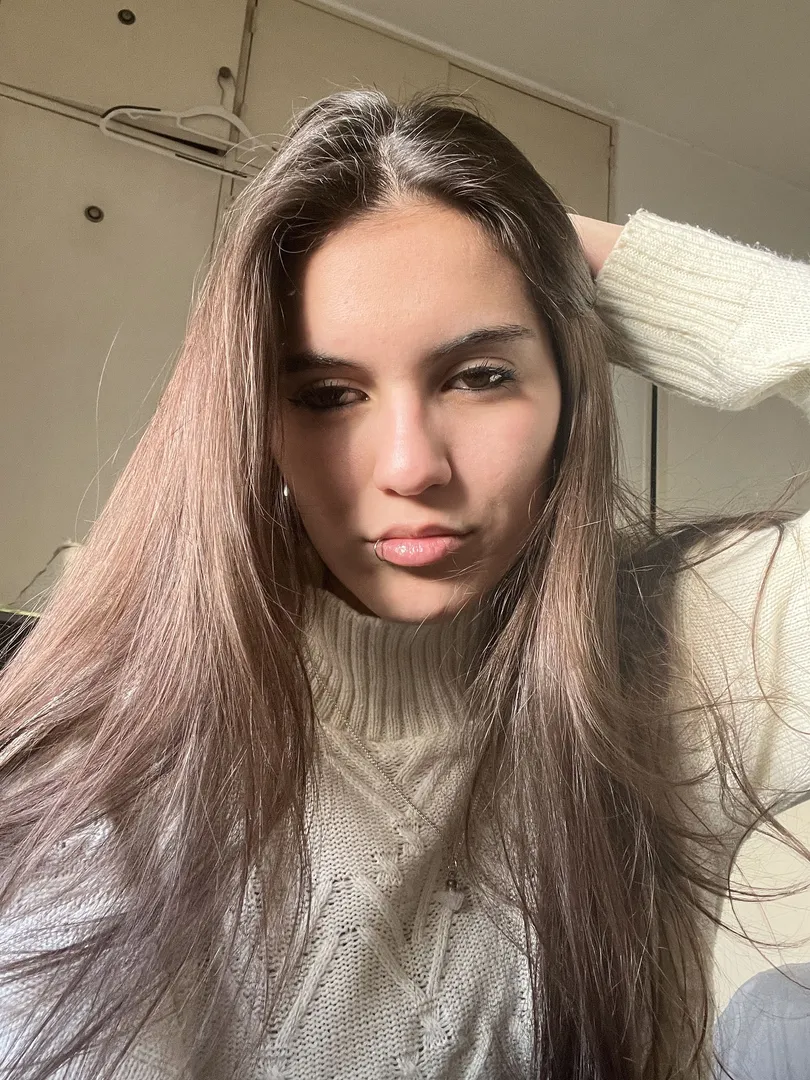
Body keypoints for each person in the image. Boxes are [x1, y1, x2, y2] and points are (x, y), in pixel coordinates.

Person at [0, 87, 808, 1080]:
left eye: (480, 375)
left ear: (571, 388)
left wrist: (581, 259)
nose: (411, 467)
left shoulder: (687, 648)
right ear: (253, 420)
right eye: (328, 395)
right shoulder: (124, 768)